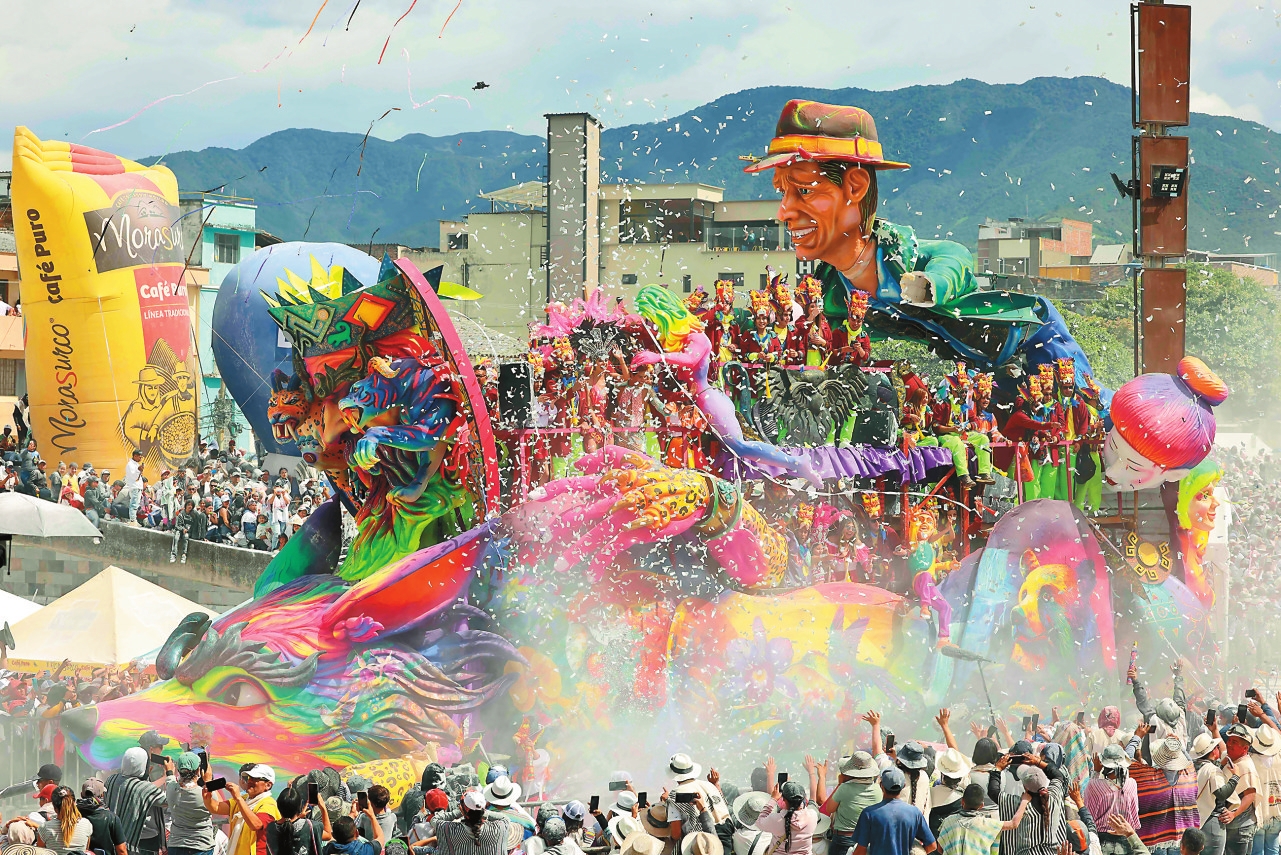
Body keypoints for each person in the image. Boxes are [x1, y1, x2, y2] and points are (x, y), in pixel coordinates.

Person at [987, 750, 1067, 855]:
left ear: (1025, 786)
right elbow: (1058, 776)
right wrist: (1038, 762)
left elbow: (993, 792)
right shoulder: (1054, 797)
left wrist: (997, 768)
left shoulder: (1019, 804)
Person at [851, 768, 939, 855]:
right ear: (903, 786)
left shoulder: (869, 813)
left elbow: (860, 851)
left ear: (881, 785)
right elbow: (932, 845)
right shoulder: (914, 813)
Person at [936, 783, 1031, 855]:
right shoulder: (987, 824)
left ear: (962, 801)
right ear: (982, 805)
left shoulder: (948, 821)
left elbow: (940, 848)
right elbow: (1014, 824)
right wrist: (1024, 801)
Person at [105, 747, 167, 855]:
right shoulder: (143, 788)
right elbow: (168, 801)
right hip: (142, 840)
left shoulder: (111, 780)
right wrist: (169, 775)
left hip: (115, 838)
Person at [821, 752, 881, 855]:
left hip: (843, 840)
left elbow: (829, 809)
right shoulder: (877, 790)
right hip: (867, 840)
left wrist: (840, 784)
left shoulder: (844, 788)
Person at [213, 764, 281, 855]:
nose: (249, 781)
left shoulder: (269, 804)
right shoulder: (244, 799)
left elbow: (256, 825)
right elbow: (217, 808)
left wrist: (238, 798)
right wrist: (207, 795)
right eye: (249, 778)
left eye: (255, 779)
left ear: (268, 785)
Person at [1086, 745, 1141, 855]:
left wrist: (1096, 771)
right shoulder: (1132, 784)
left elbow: (1089, 815)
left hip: (1102, 839)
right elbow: (1135, 812)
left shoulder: (1094, 785)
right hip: (1127, 837)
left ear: (1104, 765)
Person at [164, 753, 216, 855]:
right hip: (201, 846)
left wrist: (169, 770)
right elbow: (216, 805)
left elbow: (170, 779)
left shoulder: (171, 789)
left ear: (179, 771)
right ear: (198, 771)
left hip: (176, 846)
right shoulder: (205, 795)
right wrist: (208, 781)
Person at [434, 790, 511, 855]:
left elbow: (435, 819)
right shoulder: (499, 828)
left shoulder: (449, 830)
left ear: (463, 810)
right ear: (483, 809)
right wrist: (482, 812)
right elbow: (505, 818)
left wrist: (460, 812)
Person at [267, 785, 332, 855]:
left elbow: (289, 824)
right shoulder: (311, 827)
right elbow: (328, 835)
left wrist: (299, 817)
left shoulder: (270, 829)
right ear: (300, 806)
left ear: (278, 806)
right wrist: (323, 808)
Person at [757, 781, 816, 855]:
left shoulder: (776, 820)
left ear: (783, 799)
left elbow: (759, 822)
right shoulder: (813, 815)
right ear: (803, 798)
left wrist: (773, 799)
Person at [38, 786, 93, 855]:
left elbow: (39, 852)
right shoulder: (86, 824)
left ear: (54, 808)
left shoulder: (45, 828)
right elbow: (86, 849)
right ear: (74, 804)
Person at [79, 777, 128, 855]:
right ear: (102, 795)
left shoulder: (72, 815)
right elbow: (121, 850)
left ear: (81, 794)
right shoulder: (112, 818)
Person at [125, 449, 144, 524]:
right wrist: (138, 470)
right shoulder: (130, 465)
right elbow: (134, 477)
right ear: (135, 456)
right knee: (133, 504)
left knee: (136, 504)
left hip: (138, 487)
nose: (140, 458)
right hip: (134, 486)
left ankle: (134, 520)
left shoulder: (136, 464)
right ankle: (132, 520)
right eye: (139, 457)